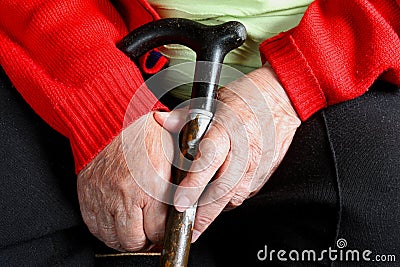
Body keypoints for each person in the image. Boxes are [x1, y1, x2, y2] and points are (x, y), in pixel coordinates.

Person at [0, 0, 399, 266]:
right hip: (85, 49)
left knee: (371, 214)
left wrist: (293, 84)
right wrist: (108, 107)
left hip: (349, 68)